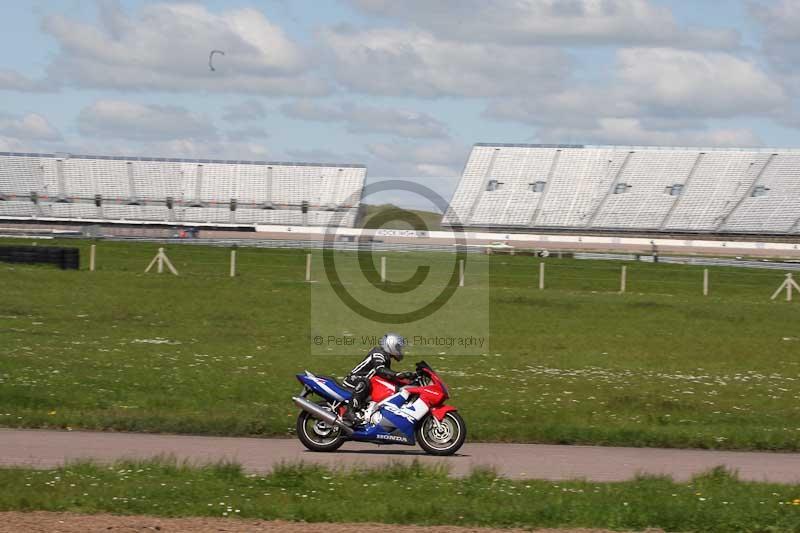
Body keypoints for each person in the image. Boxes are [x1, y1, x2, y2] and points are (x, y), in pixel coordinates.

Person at [341, 332, 415, 426]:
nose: (399, 350)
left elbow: (387, 376)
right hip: (354, 380)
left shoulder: (386, 357)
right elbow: (380, 370)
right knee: (365, 382)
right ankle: (349, 412)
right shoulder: (378, 353)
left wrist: (408, 381)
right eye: (398, 347)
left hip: (366, 383)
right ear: (391, 345)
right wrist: (398, 374)